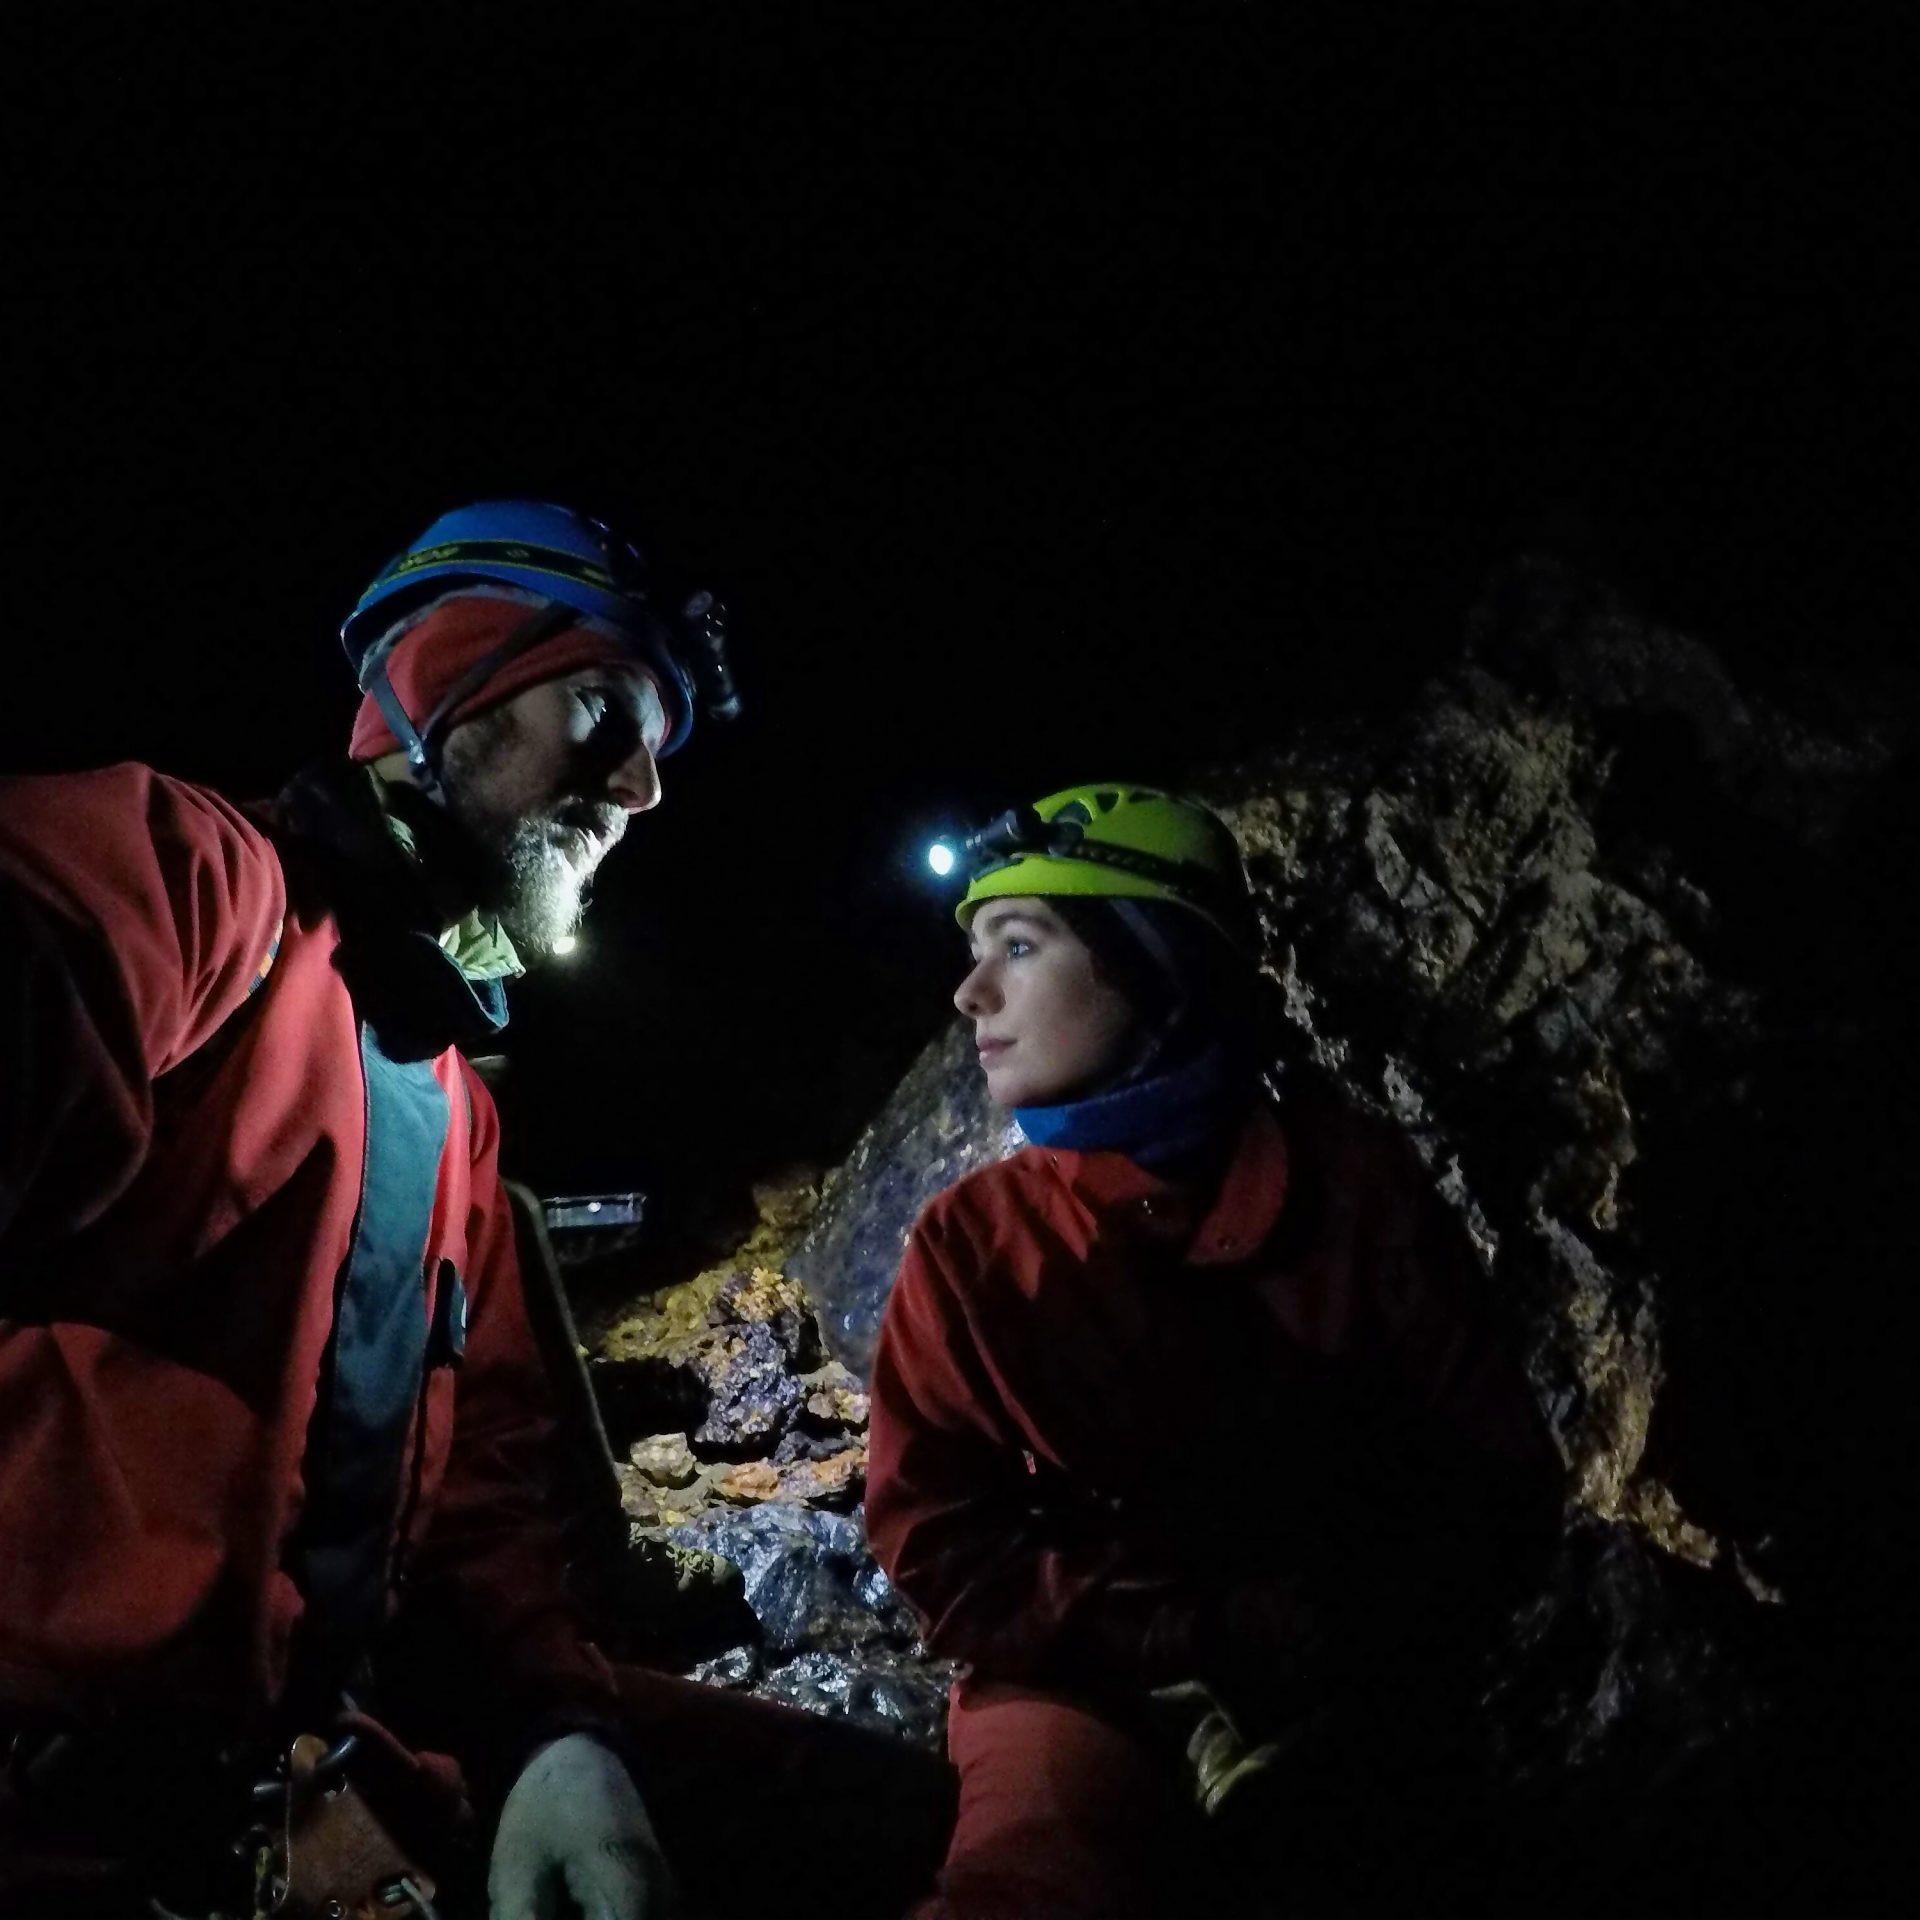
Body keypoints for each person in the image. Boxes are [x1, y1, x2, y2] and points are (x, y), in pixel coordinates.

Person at [0, 502, 951, 1920]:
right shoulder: (198, 890)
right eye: (601, 710)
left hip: (305, 1758)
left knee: (897, 1819)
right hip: (64, 1809)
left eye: (656, 748)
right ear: (445, 688)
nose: (642, 788)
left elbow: (474, 1502)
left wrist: (556, 1731)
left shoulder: (452, 1113)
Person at [866, 783, 1564, 1919]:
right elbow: (936, 1542)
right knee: (1035, 1885)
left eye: (1020, 945)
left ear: (1157, 964)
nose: (970, 992)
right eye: (976, 951)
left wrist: (1335, 1635)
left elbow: (1495, 1483)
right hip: (1072, 1682)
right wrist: (1180, 1639)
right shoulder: (974, 1243)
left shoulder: (1351, 1186)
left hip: (1338, 1671)